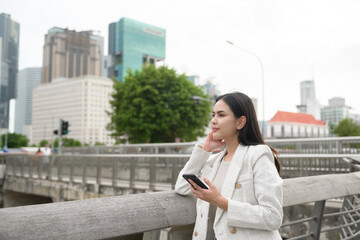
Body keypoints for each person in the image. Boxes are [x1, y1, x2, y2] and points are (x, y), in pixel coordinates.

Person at [175, 92, 283, 240]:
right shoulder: (214, 161)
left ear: (240, 122)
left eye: (221, 115)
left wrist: (219, 201)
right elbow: (181, 187)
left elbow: (273, 217)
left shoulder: (257, 155)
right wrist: (205, 150)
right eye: (213, 115)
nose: (213, 121)